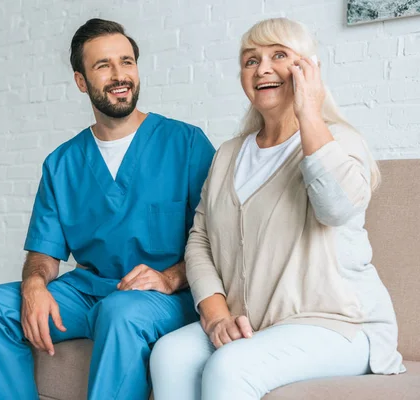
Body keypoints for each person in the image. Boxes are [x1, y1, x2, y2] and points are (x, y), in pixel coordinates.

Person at [149, 17, 405, 400]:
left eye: (279, 55)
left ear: (307, 69)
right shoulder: (228, 155)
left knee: (230, 366)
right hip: (254, 323)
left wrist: (309, 113)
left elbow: (336, 208)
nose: (262, 68)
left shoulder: (340, 142)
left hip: (339, 325)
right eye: (250, 60)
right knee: (169, 354)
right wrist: (216, 314)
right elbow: (200, 239)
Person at [0, 18, 215, 400]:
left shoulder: (187, 143)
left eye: (127, 62)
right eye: (103, 65)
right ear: (81, 81)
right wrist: (33, 285)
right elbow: (43, 255)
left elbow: (219, 240)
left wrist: (170, 278)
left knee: (121, 311)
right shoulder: (62, 163)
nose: (119, 75)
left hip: (161, 297)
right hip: (87, 294)